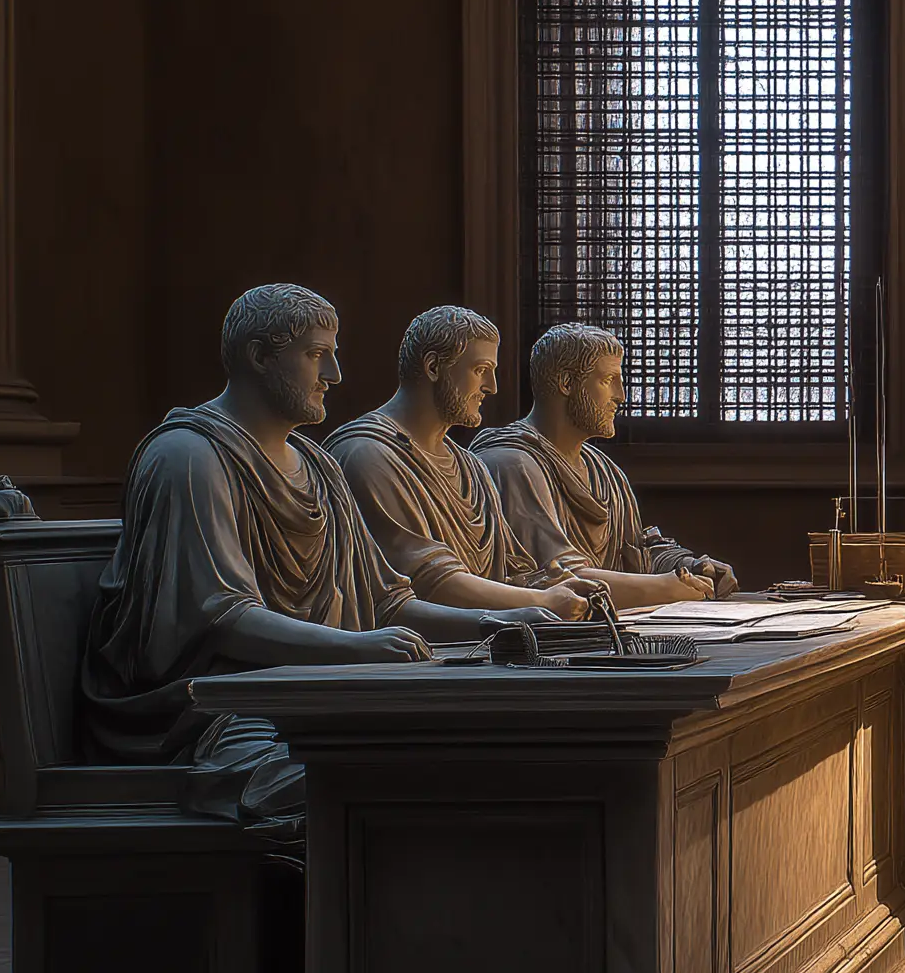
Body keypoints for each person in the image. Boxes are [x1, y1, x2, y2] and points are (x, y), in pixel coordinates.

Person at [81, 285, 556, 829]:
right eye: (315, 354)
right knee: (389, 774)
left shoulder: (316, 464)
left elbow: (386, 604)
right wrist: (356, 648)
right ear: (260, 357)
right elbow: (219, 619)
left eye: (333, 353)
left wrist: (498, 621)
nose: (334, 374)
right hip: (216, 713)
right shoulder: (188, 456)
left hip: (317, 689)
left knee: (476, 743)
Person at [329, 305, 601, 619]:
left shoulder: (470, 468)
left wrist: (551, 583)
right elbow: (428, 583)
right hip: (421, 652)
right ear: (433, 367)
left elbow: (509, 571)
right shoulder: (368, 454)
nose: (492, 387)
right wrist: (540, 600)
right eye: (480, 370)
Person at [473, 322, 738, 607]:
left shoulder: (604, 472)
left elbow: (635, 554)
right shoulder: (510, 463)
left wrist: (688, 567)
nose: (620, 396)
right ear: (566, 383)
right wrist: (665, 588)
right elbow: (558, 578)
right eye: (608, 380)